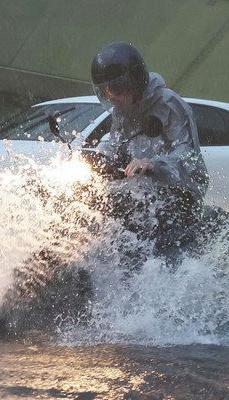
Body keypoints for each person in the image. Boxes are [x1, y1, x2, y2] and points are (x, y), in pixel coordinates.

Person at [90, 41, 210, 262]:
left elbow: (188, 158)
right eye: (105, 90)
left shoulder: (168, 104)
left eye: (115, 88)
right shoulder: (121, 111)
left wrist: (153, 165)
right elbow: (115, 144)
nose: (110, 95)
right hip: (142, 193)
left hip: (179, 196)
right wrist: (98, 155)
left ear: (135, 81)